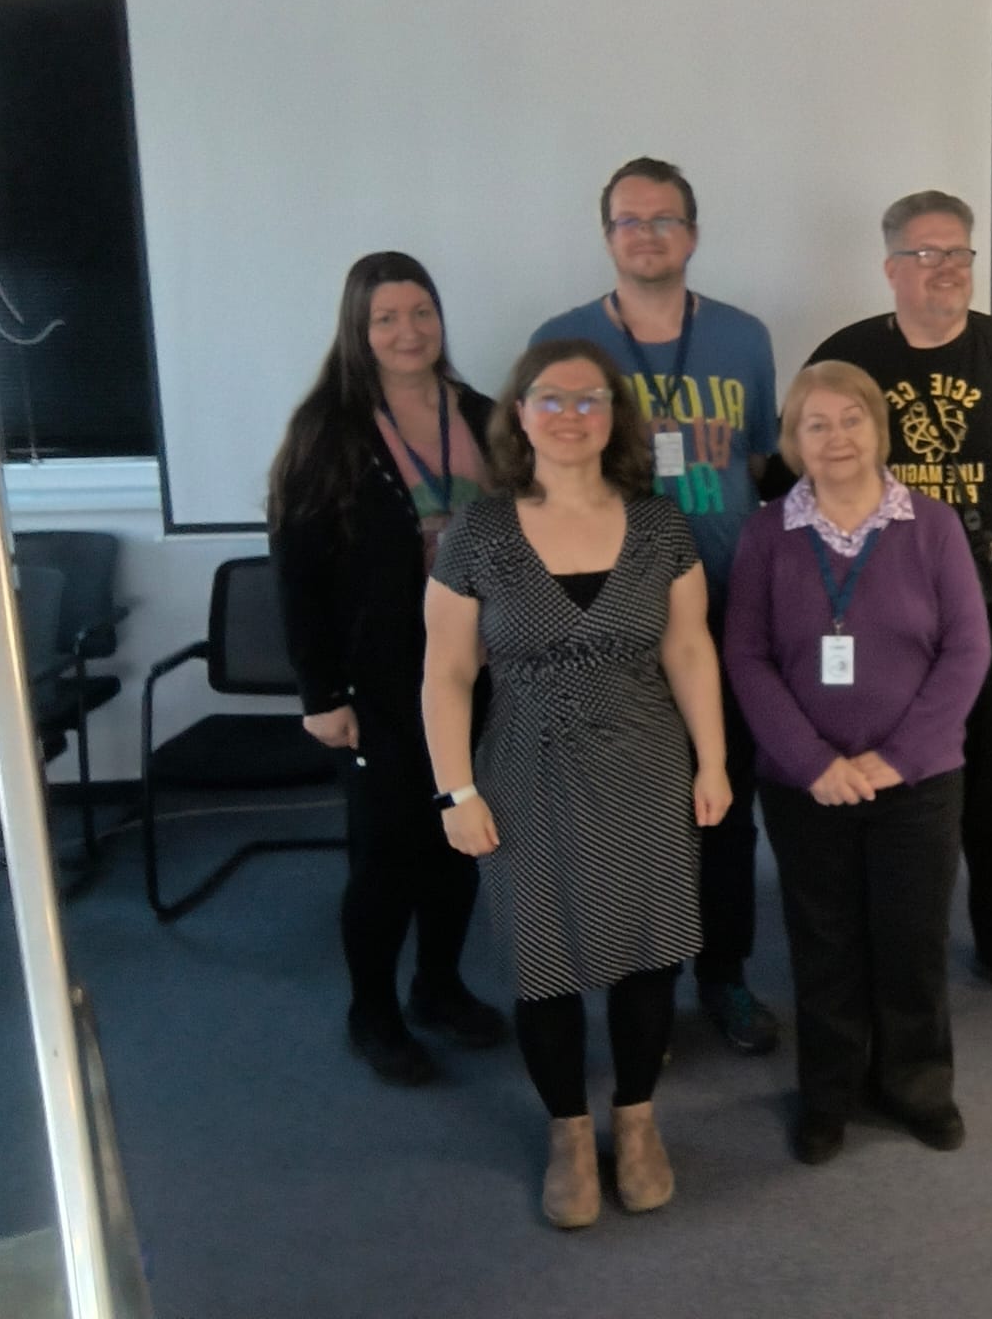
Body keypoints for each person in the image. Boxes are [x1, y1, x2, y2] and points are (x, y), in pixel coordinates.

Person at [421, 338, 731, 1230]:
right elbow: (446, 672)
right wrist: (454, 792)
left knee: (651, 951)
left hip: (645, 764)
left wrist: (712, 761)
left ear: (613, 416)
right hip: (524, 768)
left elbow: (689, 649)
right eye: (549, 399)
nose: (569, 415)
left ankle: (635, 1121)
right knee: (544, 960)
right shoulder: (477, 533)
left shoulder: (660, 525)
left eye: (588, 399)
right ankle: (568, 1131)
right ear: (519, 415)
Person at [808, 190, 992, 1015]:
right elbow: (805, 484)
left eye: (959, 253)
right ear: (891, 267)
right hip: (884, 631)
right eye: (927, 254)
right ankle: (888, 960)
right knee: (891, 804)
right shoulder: (848, 358)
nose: (947, 269)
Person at [529, 156, 781, 1057]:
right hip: (614, 619)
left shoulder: (745, 338)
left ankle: (725, 976)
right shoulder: (563, 340)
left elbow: (758, 462)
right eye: (629, 221)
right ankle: (647, 992)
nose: (647, 235)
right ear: (607, 238)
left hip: (728, 611)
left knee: (725, 802)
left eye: (664, 219)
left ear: (693, 234)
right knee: (629, 811)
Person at [724, 361, 990, 1166]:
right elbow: (746, 656)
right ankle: (829, 1093)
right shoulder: (767, 533)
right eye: (816, 423)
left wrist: (899, 757)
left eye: (851, 420)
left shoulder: (932, 525)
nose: (836, 437)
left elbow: (967, 650)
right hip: (805, 785)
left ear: (878, 428)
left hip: (918, 780)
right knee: (825, 942)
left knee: (912, 940)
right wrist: (812, 762)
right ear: (793, 441)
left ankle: (917, 1086)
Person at [268, 250, 508, 1086]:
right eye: (387, 318)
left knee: (459, 838)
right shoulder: (328, 431)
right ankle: (371, 1012)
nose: (409, 331)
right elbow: (296, 571)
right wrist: (320, 693)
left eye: (421, 313)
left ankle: (437, 988)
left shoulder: (484, 416)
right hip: (379, 684)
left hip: (478, 673)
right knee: (386, 853)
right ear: (359, 330)